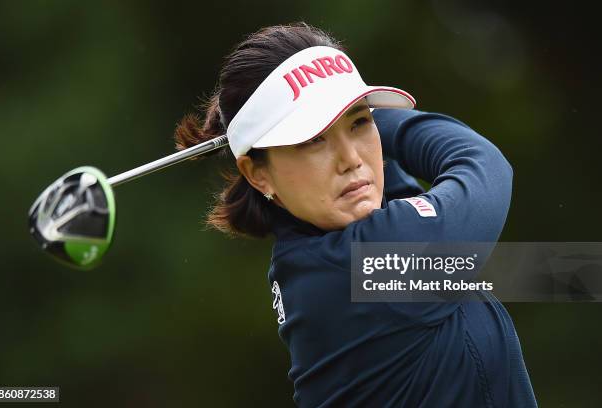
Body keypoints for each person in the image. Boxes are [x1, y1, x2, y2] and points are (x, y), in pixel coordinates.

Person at [173, 22, 538, 408]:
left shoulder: (321, 253)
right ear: (258, 173)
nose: (351, 159)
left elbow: (551, 274)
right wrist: (375, 119)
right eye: (314, 139)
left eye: (359, 123)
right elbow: (483, 165)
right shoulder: (364, 266)